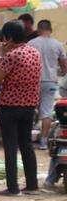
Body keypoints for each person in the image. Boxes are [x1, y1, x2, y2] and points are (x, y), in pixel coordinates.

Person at [0, 20, 42, 196]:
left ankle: (12, 187)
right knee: (26, 144)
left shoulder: (11, 56)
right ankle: (32, 185)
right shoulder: (35, 52)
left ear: (9, 38)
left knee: (11, 146)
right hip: (29, 106)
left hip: (10, 106)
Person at [28, 20, 67, 151]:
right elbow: (64, 65)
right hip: (50, 81)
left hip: (32, 81)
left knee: (30, 108)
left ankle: (27, 139)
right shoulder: (57, 44)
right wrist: (60, 72)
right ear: (50, 30)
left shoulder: (31, 43)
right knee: (47, 111)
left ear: (38, 30)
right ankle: (44, 142)